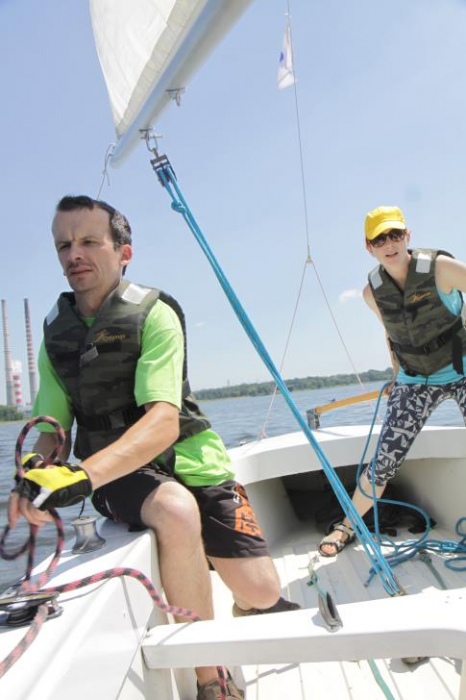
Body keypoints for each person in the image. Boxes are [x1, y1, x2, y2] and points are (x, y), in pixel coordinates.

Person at [8, 195, 300, 700]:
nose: (74, 254)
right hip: (118, 472)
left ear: (124, 252)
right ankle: (212, 680)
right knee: (175, 509)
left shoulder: (155, 314)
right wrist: (36, 469)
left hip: (191, 458)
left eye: (89, 241)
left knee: (262, 591)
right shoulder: (55, 335)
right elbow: (54, 431)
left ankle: (231, 586)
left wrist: (81, 476)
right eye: (63, 245)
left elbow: (163, 422)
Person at [319, 204, 466, 557]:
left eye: (395, 234)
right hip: (415, 380)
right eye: (379, 239)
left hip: (462, 368)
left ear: (407, 236)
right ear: (368, 247)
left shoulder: (441, 268)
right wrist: (397, 375)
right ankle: (347, 526)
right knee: (384, 462)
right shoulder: (372, 293)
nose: (389, 243)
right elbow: (392, 333)